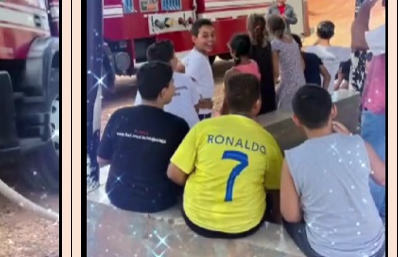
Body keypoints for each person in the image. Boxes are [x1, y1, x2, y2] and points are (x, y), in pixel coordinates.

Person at [280, 85, 386, 257]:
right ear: (333, 111)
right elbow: (384, 178)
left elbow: (291, 215)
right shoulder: (357, 143)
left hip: (326, 254)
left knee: (288, 223)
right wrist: (352, 138)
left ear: (296, 120)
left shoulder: (292, 158)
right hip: (374, 248)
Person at [168, 72, 283, 239]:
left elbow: (174, 174)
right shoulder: (267, 141)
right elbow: (275, 190)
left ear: (226, 102)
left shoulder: (203, 128)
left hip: (197, 220)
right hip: (245, 225)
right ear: (257, 104)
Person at [99, 62, 188, 213]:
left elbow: (102, 159)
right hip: (159, 201)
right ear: (163, 92)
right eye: (172, 83)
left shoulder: (119, 116)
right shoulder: (177, 126)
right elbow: (179, 174)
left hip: (117, 195)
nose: (174, 87)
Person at [351, 0, 387, 218]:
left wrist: (363, 10)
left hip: (380, 111)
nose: (382, 1)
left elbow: (358, 41)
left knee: (376, 166)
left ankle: (376, 218)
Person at [131, 41, 198, 128]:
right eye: (174, 56)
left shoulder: (186, 79)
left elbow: (196, 106)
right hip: (174, 133)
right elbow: (196, 107)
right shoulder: (186, 79)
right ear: (168, 62)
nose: (177, 59)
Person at [267, 14, 305, 112]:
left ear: (270, 29)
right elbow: (303, 65)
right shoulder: (293, 41)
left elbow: (276, 72)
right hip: (301, 81)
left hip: (288, 83)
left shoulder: (275, 44)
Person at [182, 19, 216, 121]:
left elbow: (179, 66)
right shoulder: (198, 60)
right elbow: (187, 85)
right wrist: (200, 103)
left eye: (213, 35)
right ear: (194, 39)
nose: (210, 39)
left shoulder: (196, 54)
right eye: (205, 36)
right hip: (201, 114)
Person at [305, 21, 352, 91]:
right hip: (331, 89)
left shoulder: (310, 50)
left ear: (317, 34)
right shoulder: (340, 51)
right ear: (332, 34)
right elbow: (354, 50)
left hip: (314, 88)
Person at [247, 14, 278, 115]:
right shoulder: (269, 44)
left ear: (248, 27)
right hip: (268, 87)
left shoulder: (247, 46)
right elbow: (275, 72)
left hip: (254, 88)